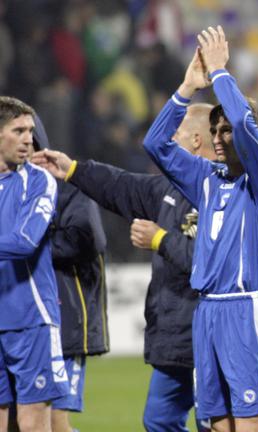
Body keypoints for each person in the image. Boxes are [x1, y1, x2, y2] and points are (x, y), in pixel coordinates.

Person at [31, 103, 216, 432]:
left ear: (197, 141)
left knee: (215, 424)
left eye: (176, 134)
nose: (168, 141)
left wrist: (160, 240)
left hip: (211, 332)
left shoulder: (224, 192)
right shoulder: (168, 190)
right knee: (158, 422)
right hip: (174, 336)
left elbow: (214, 265)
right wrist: (73, 169)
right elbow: (120, 185)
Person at [142, 26, 258, 432]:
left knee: (250, 424)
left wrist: (222, 73)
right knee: (216, 426)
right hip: (206, 313)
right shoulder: (208, 178)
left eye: (227, 131)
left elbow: (243, 122)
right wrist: (188, 86)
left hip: (245, 310)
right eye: (215, 131)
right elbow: (155, 144)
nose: (219, 138)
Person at [30, 114, 109, 432]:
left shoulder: (67, 187)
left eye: (27, 134)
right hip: (21, 324)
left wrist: (24, 244)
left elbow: (88, 240)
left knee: (56, 422)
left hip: (65, 324)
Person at [0, 96, 68, 431]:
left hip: (31, 319)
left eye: (30, 130)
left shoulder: (39, 181)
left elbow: (24, 241)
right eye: (19, 130)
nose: (29, 138)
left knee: (33, 424)